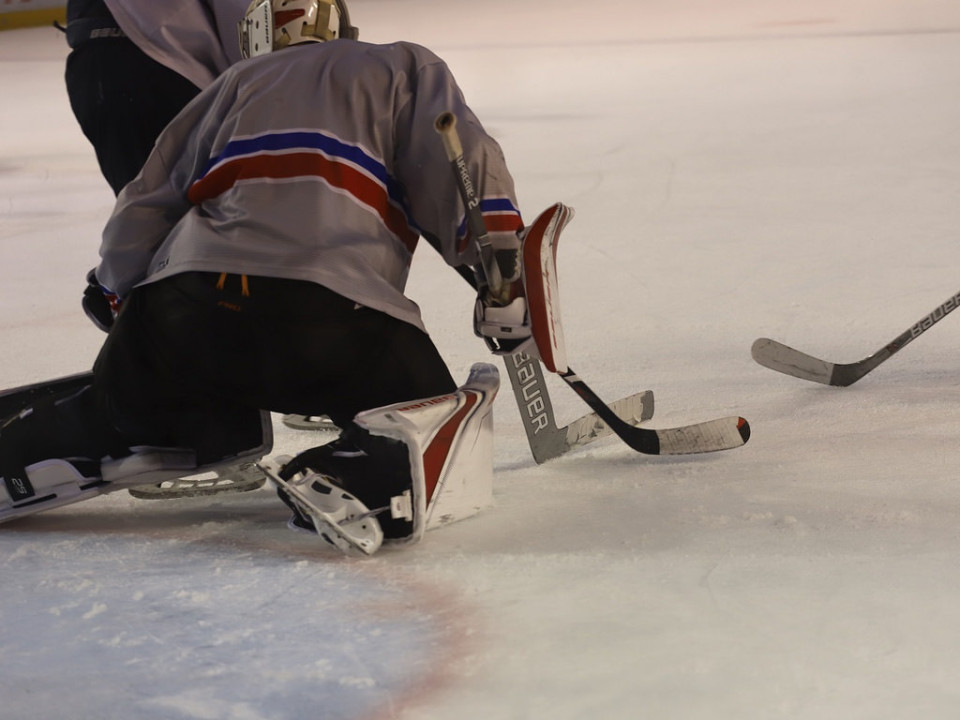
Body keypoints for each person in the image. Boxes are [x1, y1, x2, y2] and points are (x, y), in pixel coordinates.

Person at [0, 0, 536, 554]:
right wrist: (499, 270)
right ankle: (356, 470)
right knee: (423, 417)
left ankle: (44, 442)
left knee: (121, 408)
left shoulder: (228, 85)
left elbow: (143, 204)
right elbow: (463, 173)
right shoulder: (403, 65)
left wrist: (114, 290)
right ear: (343, 26)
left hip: (182, 312)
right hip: (331, 318)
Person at [63, 0, 255, 196]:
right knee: (190, 210)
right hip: (165, 67)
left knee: (143, 209)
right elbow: (243, 18)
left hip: (96, 64)